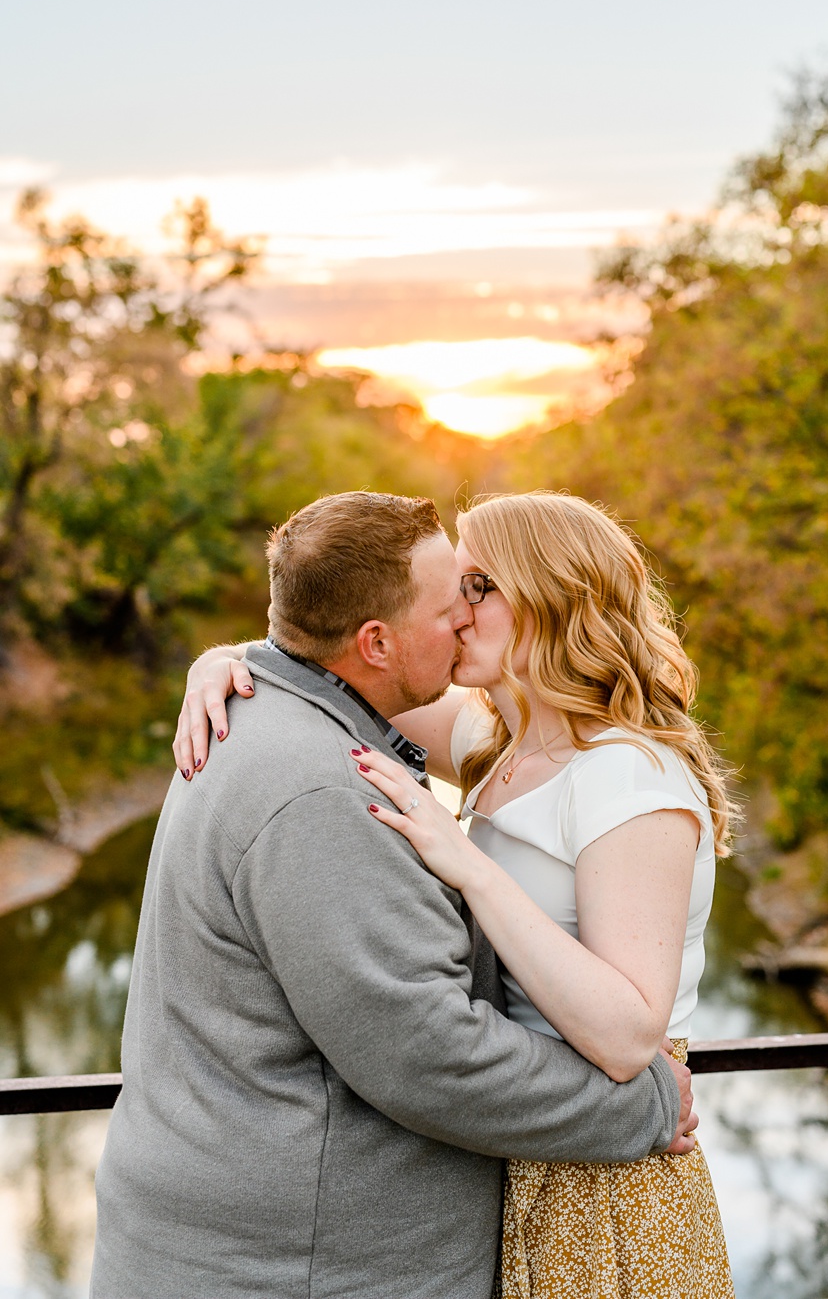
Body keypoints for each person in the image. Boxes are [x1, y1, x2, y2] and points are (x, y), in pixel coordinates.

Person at [92, 490, 694, 1299]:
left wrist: (246, 660)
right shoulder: (360, 778)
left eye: (479, 589)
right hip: (305, 1264)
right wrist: (642, 1110)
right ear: (374, 641)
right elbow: (427, 1054)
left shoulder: (595, 766)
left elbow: (621, 1029)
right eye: (454, 597)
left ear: (550, 602)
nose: (462, 617)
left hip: (582, 1165)